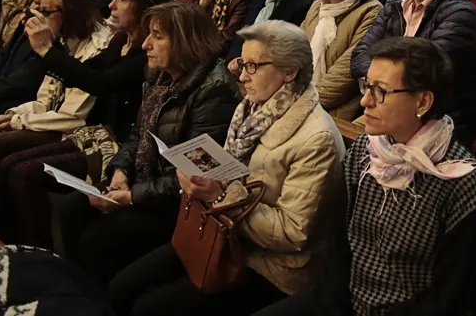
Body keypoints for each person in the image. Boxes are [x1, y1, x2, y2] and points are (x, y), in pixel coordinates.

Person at [109, 21, 345, 316]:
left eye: (253, 66)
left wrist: (219, 197)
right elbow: (230, 170)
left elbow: (293, 233)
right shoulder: (253, 106)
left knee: (147, 307)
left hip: (271, 265)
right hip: (221, 234)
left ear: (290, 72)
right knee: (121, 286)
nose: (243, 76)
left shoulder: (316, 138)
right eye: (242, 64)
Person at [257, 37, 476, 316]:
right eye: (366, 86)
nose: (365, 101)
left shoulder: (460, 180)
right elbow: (338, 247)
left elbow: (448, 295)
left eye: (380, 91)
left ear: (423, 102)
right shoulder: (364, 152)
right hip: (345, 301)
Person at [55, 2, 240, 287]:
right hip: (145, 180)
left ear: (185, 42)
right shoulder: (159, 74)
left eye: (157, 36)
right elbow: (138, 134)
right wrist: (120, 172)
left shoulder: (215, 91)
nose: (145, 45)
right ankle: (72, 288)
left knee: (98, 238)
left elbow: (196, 174)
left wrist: (132, 197)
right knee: (70, 208)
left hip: (177, 201)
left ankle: (94, 297)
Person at [0, 0, 172, 247]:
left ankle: (38, 252)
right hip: (97, 135)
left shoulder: (145, 56)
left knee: (24, 172)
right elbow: (83, 72)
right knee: (9, 164)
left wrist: (47, 50)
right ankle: (6, 242)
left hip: (115, 144)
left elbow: (99, 83)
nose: (112, 4)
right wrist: (49, 50)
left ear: (145, 10)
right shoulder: (119, 41)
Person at [0, 0, 110, 184]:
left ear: (70, 14)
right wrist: (14, 114)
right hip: (54, 118)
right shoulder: (61, 41)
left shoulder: (97, 47)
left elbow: (73, 117)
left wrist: (19, 121)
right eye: (39, 10)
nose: (39, 18)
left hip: (76, 130)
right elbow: (46, 99)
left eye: (46, 12)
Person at [350, 0, 476, 141]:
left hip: (438, 119)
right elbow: (360, 54)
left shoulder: (460, 14)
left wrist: (379, 82)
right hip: (387, 105)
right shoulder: (394, 5)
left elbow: (422, 71)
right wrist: (382, 84)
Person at [301, 0, 381, 120]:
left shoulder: (371, 12)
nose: (324, 1)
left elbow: (348, 68)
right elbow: (297, 46)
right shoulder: (317, 7)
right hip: (303, 97)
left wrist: (308, 102)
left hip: (340, 109)